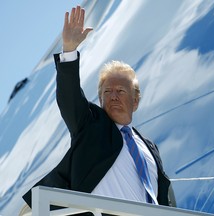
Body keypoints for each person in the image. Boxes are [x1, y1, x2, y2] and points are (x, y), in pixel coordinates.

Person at [21, 6, 170, 216]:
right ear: (100, 100)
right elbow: (70, 98)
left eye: (120, 91)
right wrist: (69, 50)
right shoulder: (90, 126)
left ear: (135, 101)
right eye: (107, 92)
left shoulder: (149, 148)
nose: (113, 96)